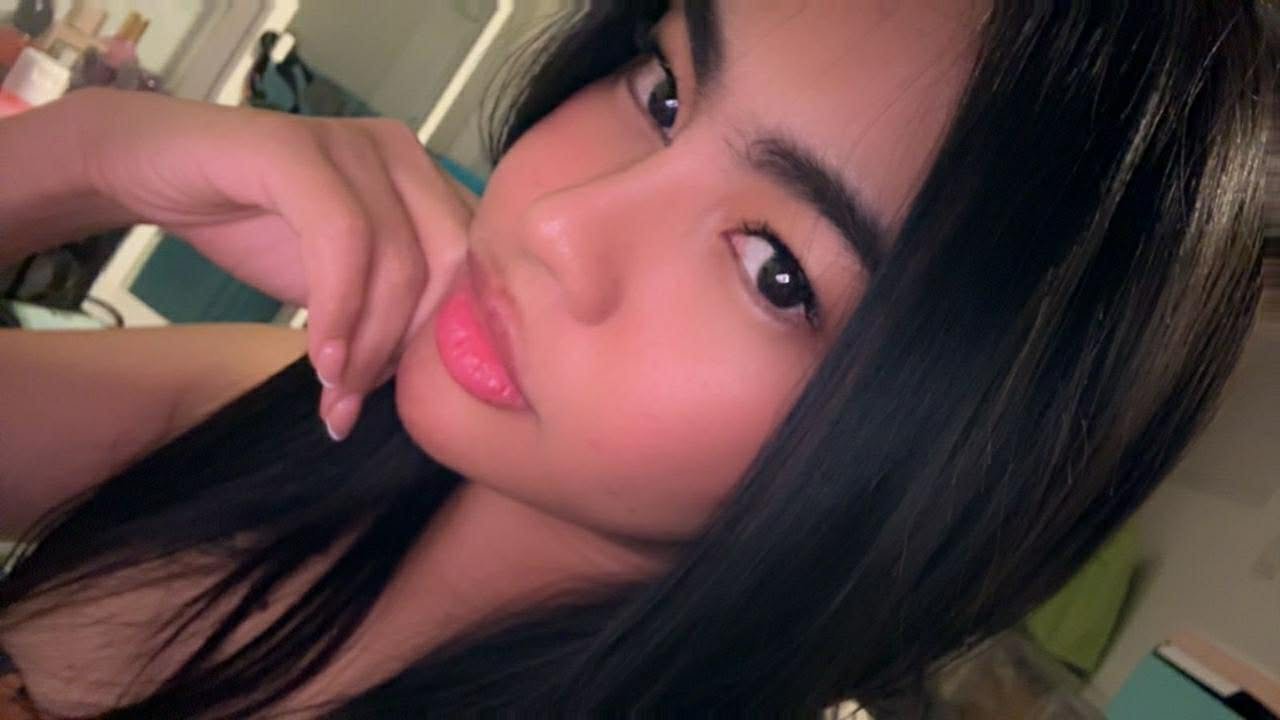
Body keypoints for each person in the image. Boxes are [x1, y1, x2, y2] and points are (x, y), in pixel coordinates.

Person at [0, 1, 1272, 717]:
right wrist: (91, 156)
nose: (557, 223)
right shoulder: (304, 418)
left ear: (938, 472)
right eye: (661, 93)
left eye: (775, 270)